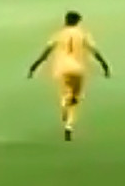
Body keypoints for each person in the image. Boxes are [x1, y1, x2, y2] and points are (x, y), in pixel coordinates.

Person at [28, 11, 111, 141]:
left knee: (65, 93)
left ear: (66, 20)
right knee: (75, 99)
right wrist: (104, 65)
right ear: (78, 21)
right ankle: (69, 125)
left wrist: (35, 66)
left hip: (61, 69)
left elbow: (46, 52)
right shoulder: (83, 34)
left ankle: (64, 106)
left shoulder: (58, 34)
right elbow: (94, 51)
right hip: (78, 69)